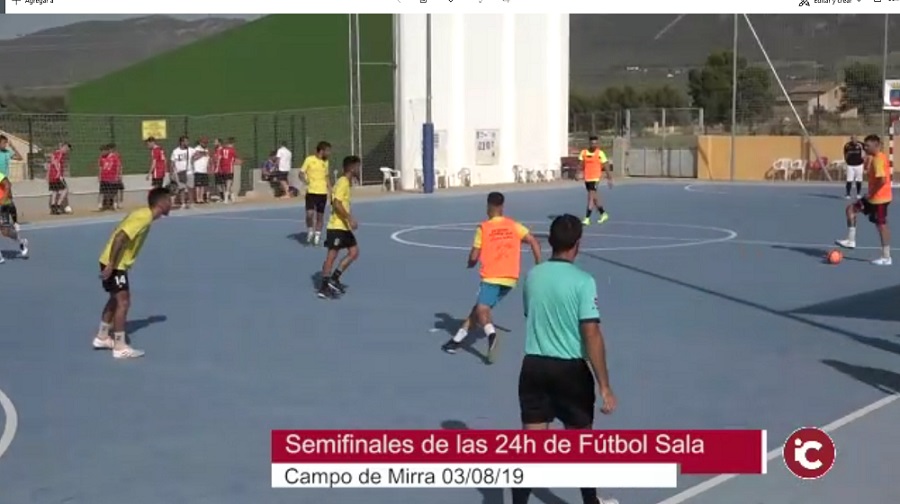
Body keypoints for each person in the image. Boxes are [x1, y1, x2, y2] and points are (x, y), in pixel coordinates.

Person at [512, 214, 617, 504]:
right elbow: (591, 333)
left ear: (550, 241)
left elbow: (530, 314)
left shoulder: (533, 276)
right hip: (570, 372)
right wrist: (604, 385)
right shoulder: (584, 282)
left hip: (534, 367)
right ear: (577, 244)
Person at [441, 192, 541, 364]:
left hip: (492, 276)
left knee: (482, 309)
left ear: (488, 207)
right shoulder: (513, 225)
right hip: (510, 279)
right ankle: (456, 341)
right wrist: (539, 266)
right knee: (478, 309)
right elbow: (533, 241)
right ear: (502, 206)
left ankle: (491, 334)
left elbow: (474, 256)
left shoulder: (484, 228)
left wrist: (470, 263)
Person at [93, 187, 172, 358]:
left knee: (115, 299)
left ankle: (102, 337)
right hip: (115, 264)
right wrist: (112, 264)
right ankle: (120, 346)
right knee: (124, 302)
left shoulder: (143, 215)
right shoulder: (144, 217)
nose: (171, 203)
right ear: (162, 202)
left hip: (114, 262)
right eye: (169, 200)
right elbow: (120, 237)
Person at [836, 134, 892, 265]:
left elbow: (882, 180)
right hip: (872, 197)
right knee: (851, 209)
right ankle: (851, 240)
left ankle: (886, 257)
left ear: (876, 146)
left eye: (867, 146)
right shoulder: (874, 158)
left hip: (880, 199)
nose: (865, 147)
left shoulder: (878, 159)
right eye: (864, 145)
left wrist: (871, 193)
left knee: (881, 226)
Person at [318, 155, 360, 299]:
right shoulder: (342, 182)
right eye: (357, 167)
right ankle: (324, 286)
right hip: (336, 226)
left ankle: (334, 279)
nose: (359, 169)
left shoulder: (346, 182)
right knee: (332, 255)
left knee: (354, 252)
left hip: (344, 226)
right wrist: (350, 218)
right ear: (352, 168)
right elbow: (336, 203)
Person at [301, 141, 331, 245]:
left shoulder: (326, 162)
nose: (329, 153)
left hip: (322, 193)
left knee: (320, 216)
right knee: (309, 214)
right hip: (311, 192)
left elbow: (326, 177)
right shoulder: (309, 160)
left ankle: (317, 235)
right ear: (322, 151)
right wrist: (304, 180)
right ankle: (310, 230)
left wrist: (331, 190)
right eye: (328, 151)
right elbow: (301, 173)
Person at [579, 136, 613, 226]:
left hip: (595, 178)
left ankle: (587, 218)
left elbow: (606, 165)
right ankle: (603, 213)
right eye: (592, 143)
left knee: (590, 197)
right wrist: (577, 173)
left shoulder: (600, 153)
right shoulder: (584, 152)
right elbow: (580, 164)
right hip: (587, 178)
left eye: (596, 143)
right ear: (589, 143)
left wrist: (609, 178)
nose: (594, 145)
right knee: (594, 198)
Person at [0, 171, 29, 264]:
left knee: (5, 232)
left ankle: (21, 241)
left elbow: (8, 185)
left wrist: (3, 199)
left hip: (3, 205)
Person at [47, 142, 71, 214]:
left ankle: (53, 208)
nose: (67, 150)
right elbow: (55, 162)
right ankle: (58, 205)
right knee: (65, 189)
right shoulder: (60, 154)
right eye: (66, 149)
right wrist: (59, 173)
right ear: (63, 147)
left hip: (52, 175)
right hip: (57, 176)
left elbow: (51, 162)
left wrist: (48, 175)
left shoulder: (55, 153)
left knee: (55, 191)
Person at [170, 136, 193, 209]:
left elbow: (197, 153)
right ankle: (183, 203)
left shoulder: (190, 150)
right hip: (180, 172)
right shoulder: (175, 151)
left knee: (190, 187)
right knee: (182, 188)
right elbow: (172, 162)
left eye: (188, 141)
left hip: (189, 171)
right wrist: (171, 173)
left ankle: (190, 202)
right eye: (186, 141)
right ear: (182, 142)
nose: (187, 143)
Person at [217, 137, 239, 203]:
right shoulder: (232, 150)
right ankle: (226, 198)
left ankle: (232, 196)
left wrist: (218, 167)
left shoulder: (222, 150)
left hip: (223, 168)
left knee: (227, 184)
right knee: (229, 183)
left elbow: (219, 158)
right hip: (229, 169)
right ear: (232, 143)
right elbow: (236, 159)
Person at [843, 134, 865, 200]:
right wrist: (846, 161)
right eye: (852, 138)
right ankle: (848, 194)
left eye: (855, 138)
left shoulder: (861, 145)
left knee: (859, 180)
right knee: (849, 179)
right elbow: (845, 154)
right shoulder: (847, 145)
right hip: (850, 165)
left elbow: (865, 152)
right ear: (851, 139)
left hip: (859, 165)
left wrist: (864, 159)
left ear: (857, 138)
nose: (854, 140)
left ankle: (858, 194)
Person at [191, 137, 211, 204]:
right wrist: (202, 154)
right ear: (200, 143)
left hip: (204, 170)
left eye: (206, 143)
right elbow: (193, 158)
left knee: (203, 185)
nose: (205, 144)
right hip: (198, 169)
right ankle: (198, 198)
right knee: (198, 185)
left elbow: (208, 158)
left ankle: (201, 198)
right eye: (204, 143)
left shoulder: (207, 149)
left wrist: (208, 166)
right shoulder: (196, 149)